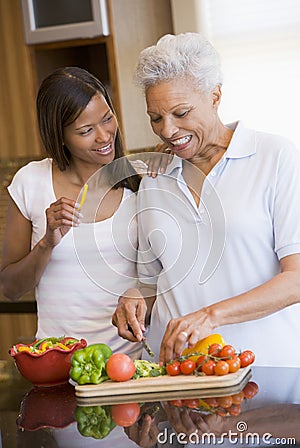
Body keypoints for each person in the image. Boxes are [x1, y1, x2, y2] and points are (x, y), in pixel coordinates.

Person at [112, 32, 300, 367]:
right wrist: (136, 297)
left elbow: (296, 278)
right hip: (177, 378)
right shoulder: (155, 177)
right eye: (156, 117)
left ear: (215, 95)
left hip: (266, 370)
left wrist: (211, 316)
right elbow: (153, 278)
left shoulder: (274, 157)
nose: (167, 130)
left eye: (181, 113)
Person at [0, 66, 142, 359]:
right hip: (58, 364)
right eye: (86, 131)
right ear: (60, 136)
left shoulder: (141, 186)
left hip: (131, 365)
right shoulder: (31, 182)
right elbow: (10, 288)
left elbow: (166, 278)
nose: (104, 136)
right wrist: (47, 243)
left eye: (107, 119)